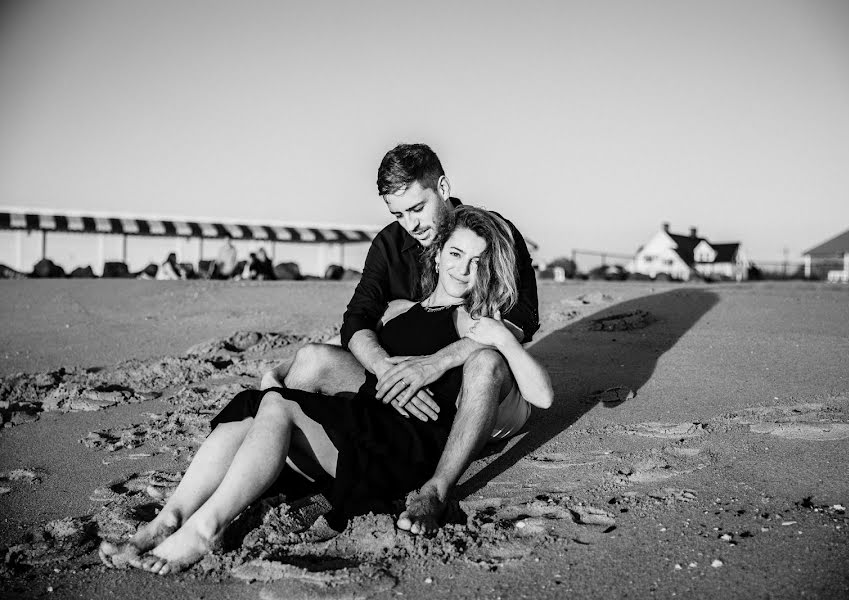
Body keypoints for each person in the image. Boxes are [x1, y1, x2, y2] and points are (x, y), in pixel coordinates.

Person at [98, 206, 553, 574]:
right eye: (455, 255)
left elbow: (542, 395)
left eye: (476, 262)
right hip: (361, 422)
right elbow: (334, 349)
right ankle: (169, 519)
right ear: (437, 255)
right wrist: (279, 368)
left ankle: (205, 529)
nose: (463, 269)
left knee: (278, 408)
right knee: (260, 404)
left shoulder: (474, 323)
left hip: (396, 449)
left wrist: (501, 337)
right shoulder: (399, 309)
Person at [262, 143, 540, 534]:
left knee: (487, 361)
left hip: (483, 397)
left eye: (417, 208)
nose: (411, 223)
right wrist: (385, 371)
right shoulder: (390, 245)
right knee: (312, 360)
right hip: (407, 392)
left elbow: (520, 320)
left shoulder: (489, 232)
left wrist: (435, 364)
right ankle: (293, 479)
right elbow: (356, 321)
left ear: (442, 187)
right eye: (398, 213)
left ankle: (436, 491)